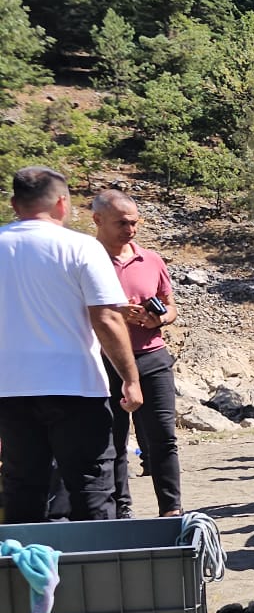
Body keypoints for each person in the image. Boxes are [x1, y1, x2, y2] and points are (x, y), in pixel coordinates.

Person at [0, 167, 142, 523]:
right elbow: (107, 318)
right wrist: (130, 377)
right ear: (63, 204)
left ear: (14, 204)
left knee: (22, 487)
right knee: (91, 487)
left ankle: (25, 573)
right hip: (75, 386)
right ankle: (100, 572)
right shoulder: (81, 247)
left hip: (11, 389)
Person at [91, 190, 181, 518]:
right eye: (121, 223)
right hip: (103, 362)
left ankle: (172, 510)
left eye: (134, 222)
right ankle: (121, 512)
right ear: (97, 220)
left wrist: (158, 317)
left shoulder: (152, 260)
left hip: (152, 357)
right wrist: (115, 313)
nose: (130, 229)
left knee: (163, 438)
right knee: (110, 443)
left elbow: (170, 307)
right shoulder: (86, 259)